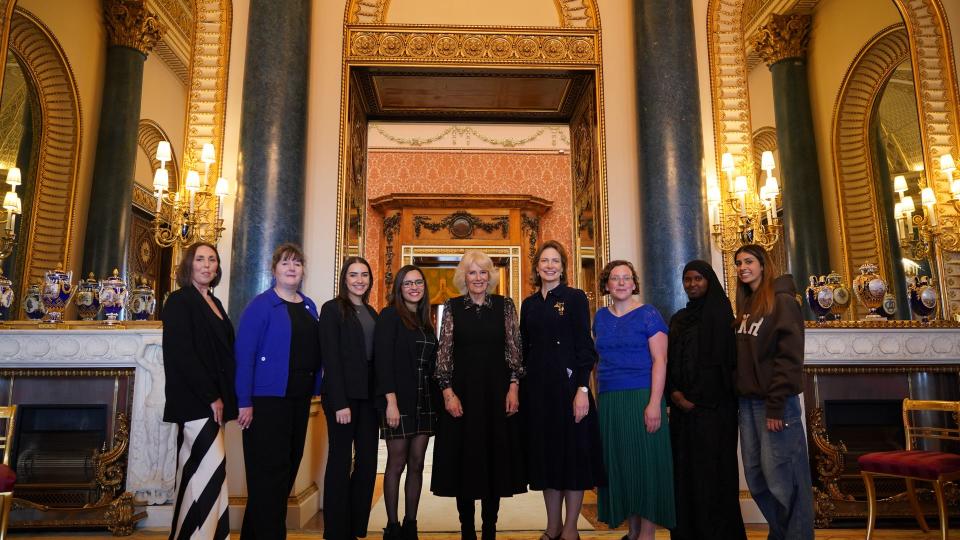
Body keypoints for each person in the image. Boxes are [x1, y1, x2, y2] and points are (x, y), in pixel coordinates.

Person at [432, 250, 526, 540]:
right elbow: (443, 355)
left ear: (491, 277)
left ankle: (489, 529)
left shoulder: (505, 306)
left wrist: (513, 387)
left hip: (497, 394)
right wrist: (448, 393)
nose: (478, 278)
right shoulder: (452, 307)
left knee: (493, 462)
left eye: (483, 272)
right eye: (472, 272)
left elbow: (514, 351)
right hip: (462, 395)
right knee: (465, 461)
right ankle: (467, 530)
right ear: (463, 277)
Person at [235, 243, 322, 539]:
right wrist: (243, 401)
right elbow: (244, 356)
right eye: (285, 263)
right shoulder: (260, 306)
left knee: (284, 475)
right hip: (267, 402)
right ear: (274, 270)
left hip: (299, 401)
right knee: (268, 477)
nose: (291, 268)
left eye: (297, 263)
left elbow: (315, 352)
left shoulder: (309, 306)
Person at [520, 240, 604, 540]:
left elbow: (586, 347)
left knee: (573, 458)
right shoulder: (528, 304)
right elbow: (524, 349)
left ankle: (570, 529)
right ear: (537, 266)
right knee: (547, 460)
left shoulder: (575, 297)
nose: (549, 266)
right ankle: (552, 525)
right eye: (544, 260)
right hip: (538, 394)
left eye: (555, 261)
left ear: (563, 266)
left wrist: (582, 388)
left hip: (570, 389)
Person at [733, 244, 814, 540]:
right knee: (757, 479)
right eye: (739, 262)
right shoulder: (747, 304)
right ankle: (781, 534)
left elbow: (789, 357)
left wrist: (776, 404)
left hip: (775, 405)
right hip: (748, 405)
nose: (743, 267)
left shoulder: (782, 301)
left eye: (749, 261)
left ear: (764, 265)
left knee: (785, 480)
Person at [593, 260, 675, 540]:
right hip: (610, 400)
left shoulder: (649, 314)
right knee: (622, 464)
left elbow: (660, 360)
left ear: (634, 283)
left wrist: (655, 403)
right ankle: (633, 531)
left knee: (646, 465)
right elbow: (596, 362)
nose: (621, 283)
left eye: (626, 278)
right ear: (607, 285)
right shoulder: (600, 317)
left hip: (642, 396)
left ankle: (647, 534)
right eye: (615, 278)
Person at [162, 241, 236, 540]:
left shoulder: (214, 303)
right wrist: (212, 396)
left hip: (212, 401)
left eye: (212, 260)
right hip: (195, 401)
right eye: (200, 259)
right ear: (189, 264)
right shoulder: (179, 301)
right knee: (203, 471)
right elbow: (183, 355)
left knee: (209, 472)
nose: (207, 265)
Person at [666, 260, 746, 540]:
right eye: (687, 279)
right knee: (685, 476)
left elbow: (726, 366)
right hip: (682, 414)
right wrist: (675, 394)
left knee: (714, 478)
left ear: (709, 281)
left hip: (715, 414)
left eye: (698, 278)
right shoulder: (678, 318)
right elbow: (669, 362)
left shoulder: (724, 317)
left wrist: (698, 400)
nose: (692, 284)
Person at [374, 264, 438, 540]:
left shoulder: (426, 322)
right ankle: (392, 525)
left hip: (425, 400)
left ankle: (411, 524)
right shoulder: (389, 316)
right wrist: (390, 402)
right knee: (396, 463)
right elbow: (382, 361)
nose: (414, 287)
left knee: (417, 463)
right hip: (397, 400)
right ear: (399, 289)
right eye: (408, 283)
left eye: (418, 283)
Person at [320, 256, 380, 540]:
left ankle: (356, 526)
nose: (359, 280)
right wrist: (341, 402)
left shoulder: (372, 311)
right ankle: (335, 531)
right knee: (340, 461)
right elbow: (330, 358)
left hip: (369, 398)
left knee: (368, 463)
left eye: (364, 275)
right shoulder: (332, 310)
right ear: (345, 278)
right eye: (354, 275)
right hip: (342, 397)